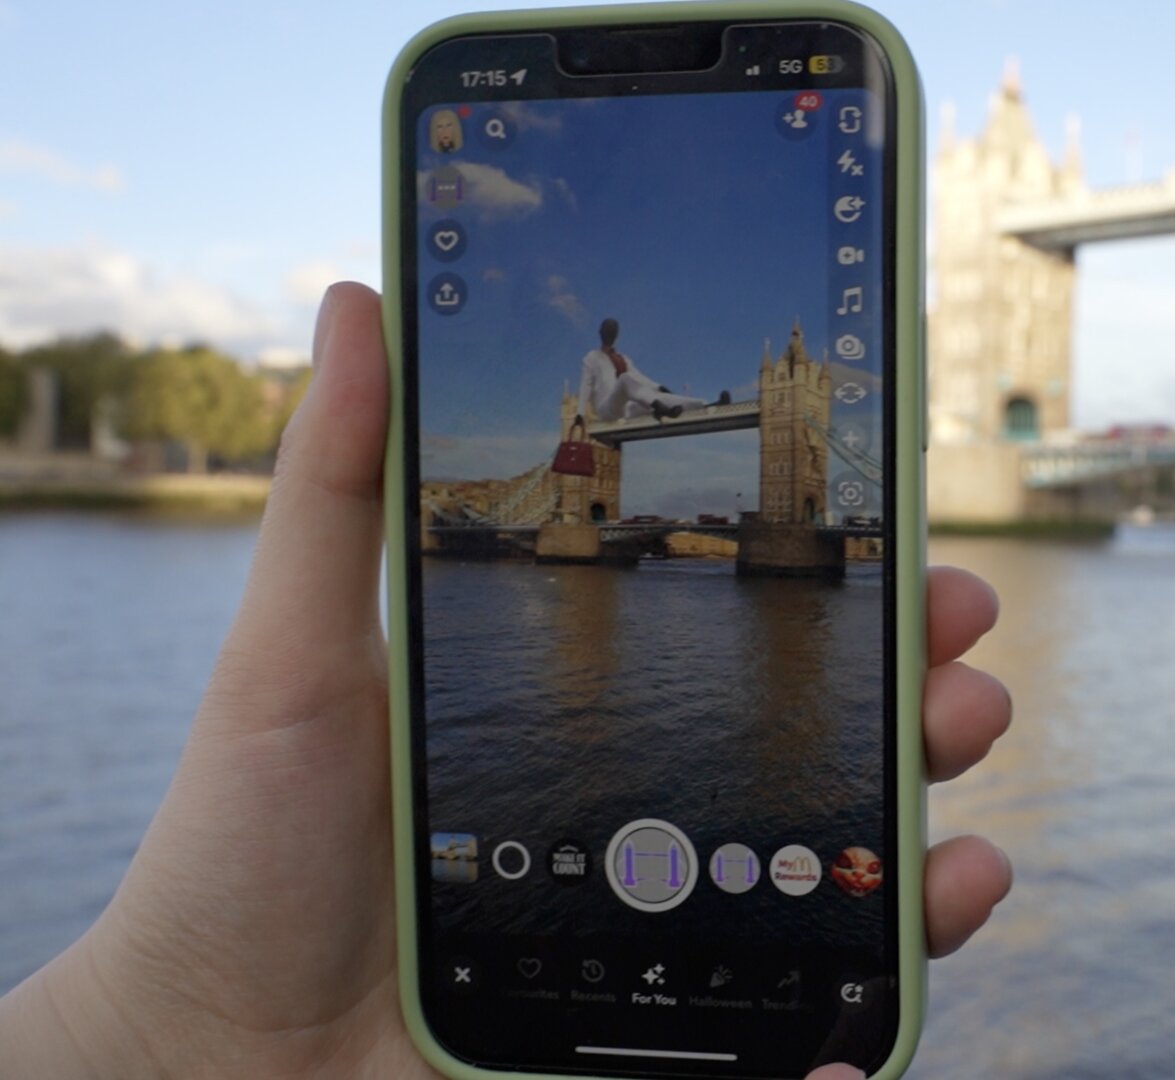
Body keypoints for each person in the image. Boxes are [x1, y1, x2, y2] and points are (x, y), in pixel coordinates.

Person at [0, 283, 1014, 1080]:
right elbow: (619, 403)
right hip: (595, 432)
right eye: (611, 327)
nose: (612, 332)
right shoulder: (593, 373)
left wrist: (691, 403)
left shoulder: (629, 366)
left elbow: (646, 389)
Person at [580, 316, 730, 422]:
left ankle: (707, 405)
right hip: (606, 408)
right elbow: (585, 385)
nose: (610, 334)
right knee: (625, 379)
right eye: (608, 330)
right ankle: (659, 408)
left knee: (662, 398)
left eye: (613, 331)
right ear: (600, 333)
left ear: (616, 336)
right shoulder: (592, 357)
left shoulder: (624, 359)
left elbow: (639, 378)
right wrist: (579, 414)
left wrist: (658, 386)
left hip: (627, 408)